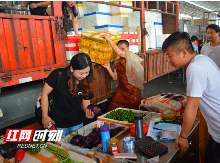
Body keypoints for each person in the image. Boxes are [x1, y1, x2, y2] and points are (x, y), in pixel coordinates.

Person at [162, 31, 220, 163]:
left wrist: (183, 137)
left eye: (169, 55)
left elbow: (192, 105)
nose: (167, 60)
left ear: (183, 52)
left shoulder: (194, 68)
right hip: (215, 131)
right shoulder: (202, 58)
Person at [40, 53, 94, 136]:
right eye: (81, 73)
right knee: (60, 147)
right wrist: (45, 116)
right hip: (58, 123)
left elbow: (86, 102)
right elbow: (44, 94)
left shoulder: (87, 80)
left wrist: (87, 110)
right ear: (72, 68)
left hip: (77, 122)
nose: (84, 76)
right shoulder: (58, 75)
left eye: (87, 72)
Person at [101, 35, 144, 112]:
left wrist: (109, 40)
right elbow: (114, 77)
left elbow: (119, 53)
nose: (120, 51)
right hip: (121, 91)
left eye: (123, 49)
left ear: (128, 49)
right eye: (118, 48)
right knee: (112, 109)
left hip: (133, 91)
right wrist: (108, 68)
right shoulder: (117, 61)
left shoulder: (131, 56)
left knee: (134, 112)